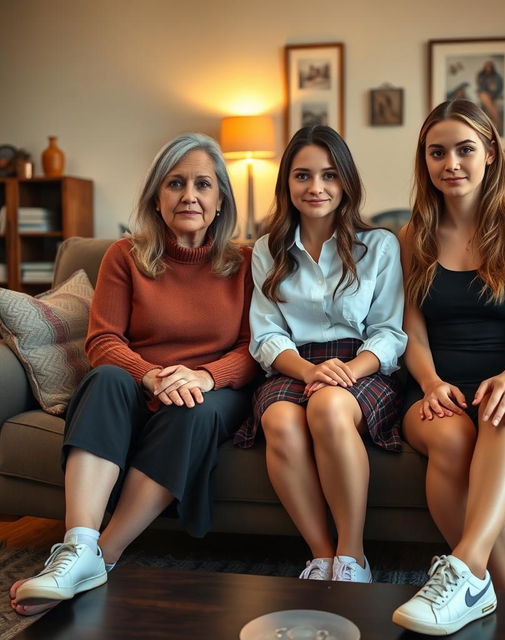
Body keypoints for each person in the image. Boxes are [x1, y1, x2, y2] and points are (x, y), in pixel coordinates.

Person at [10, 133, 259, 615]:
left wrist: (204, 376)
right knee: (103, 379)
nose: (189, 195)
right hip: (141, 382)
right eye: (175, 183)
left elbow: (256, 348)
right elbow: (103, 342)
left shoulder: (246, 261)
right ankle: (77, 546)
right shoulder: (125, 256)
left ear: (220, 198)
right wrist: (151, 375)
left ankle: (104, 554)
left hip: (212, 389)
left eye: (203, 184)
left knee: (195, 410)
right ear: (156, 197)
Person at [392, 100, 505, 635]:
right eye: (436, 152)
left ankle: (465, 570)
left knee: (501, 412)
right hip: (438, 385)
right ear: (424, 161)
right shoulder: (411, 236)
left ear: (490, 152)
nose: (452, 163)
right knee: (450, 439)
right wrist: (429, 383)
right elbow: (412, 335)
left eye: (465, 149)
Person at [234, 125, 407, 583]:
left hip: (362, 364)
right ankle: (322, 556)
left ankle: (353, 558)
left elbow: (390, 332)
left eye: (329, 176)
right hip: (295, 364)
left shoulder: (380, 246)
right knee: (279, 420)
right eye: (303, 176)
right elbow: (266, 335)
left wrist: (346, 371)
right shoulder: (267, 249)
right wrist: (311, 369)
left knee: (329, 407)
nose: (316, 188)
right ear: (286, 184)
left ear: (346, 182)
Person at [476, 60, 504, 134]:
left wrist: (494, 94)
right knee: (484, 96)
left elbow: (499, 87)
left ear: (492, 68)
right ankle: (497, 124)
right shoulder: (482, 76)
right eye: (486, 67)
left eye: (489, 67)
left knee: (491, 107)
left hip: (494, 95)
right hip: (485, 95)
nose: (488, 69)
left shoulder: (497, 77)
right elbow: (481, 88)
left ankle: (495, 125)